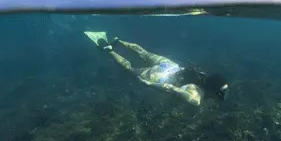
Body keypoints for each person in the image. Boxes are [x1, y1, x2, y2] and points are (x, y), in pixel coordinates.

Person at [84, 31, 229, 106]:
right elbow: (172, 89)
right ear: (213, 92)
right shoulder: (196, 98)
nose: (220, 98)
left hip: (170, 66)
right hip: (161, 77)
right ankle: (108, 50)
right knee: (130, 69)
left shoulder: (203, 75)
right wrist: (149, 84)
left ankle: (118, 41)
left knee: (144, 53)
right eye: (220, 95)